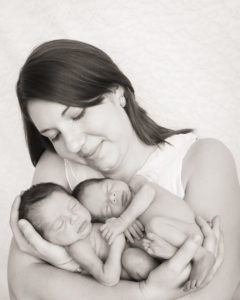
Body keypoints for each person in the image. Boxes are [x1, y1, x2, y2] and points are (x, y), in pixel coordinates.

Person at [8, 39, 239, 300]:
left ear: (117, 92)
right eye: (53, 135)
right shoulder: (57, 168)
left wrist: (71, 278)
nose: (72, 144)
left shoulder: (202, 159)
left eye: (77, 115)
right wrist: (144, 293)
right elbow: (23, 286)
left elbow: (214, 294)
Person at [72, 175, 215, 289]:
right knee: (129, 258)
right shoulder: (122, 223)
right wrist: (120, 226)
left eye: (108, 187)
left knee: (154, 225)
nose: (112, 197)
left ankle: (201, 255)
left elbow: (148, 192)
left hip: (188, 232)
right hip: (168, 252)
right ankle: (176, 268)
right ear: (107, 219)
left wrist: (124, 220)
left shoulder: (135, 182)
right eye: (107, 208)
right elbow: (140, 241)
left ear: (112, 179)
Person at [19, 182, 128, 286]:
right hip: (129, 263)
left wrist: (125, 222)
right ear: (48, 241)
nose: (74, 218)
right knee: (132, 260)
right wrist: (117, 242)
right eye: (60, 224)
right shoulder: (78, 248)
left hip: (138, 243)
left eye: (73, 206)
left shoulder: (91, 219)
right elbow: (108, 278)